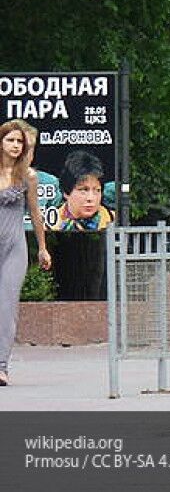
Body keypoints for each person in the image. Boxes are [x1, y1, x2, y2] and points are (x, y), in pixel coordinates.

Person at [0, 119, 52, 386]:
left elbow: (35, 214)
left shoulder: (28, 177)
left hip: (14, 248)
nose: (15, 145)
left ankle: (1, 366)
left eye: (19, 142)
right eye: (10, 140)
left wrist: (42, 248)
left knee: (7, 307)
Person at [54, 150, 115, 232]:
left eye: (97, 190)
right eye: (84, 190)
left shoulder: (115, 220)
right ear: (66, 192)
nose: (90, 198)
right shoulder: (49, 222)